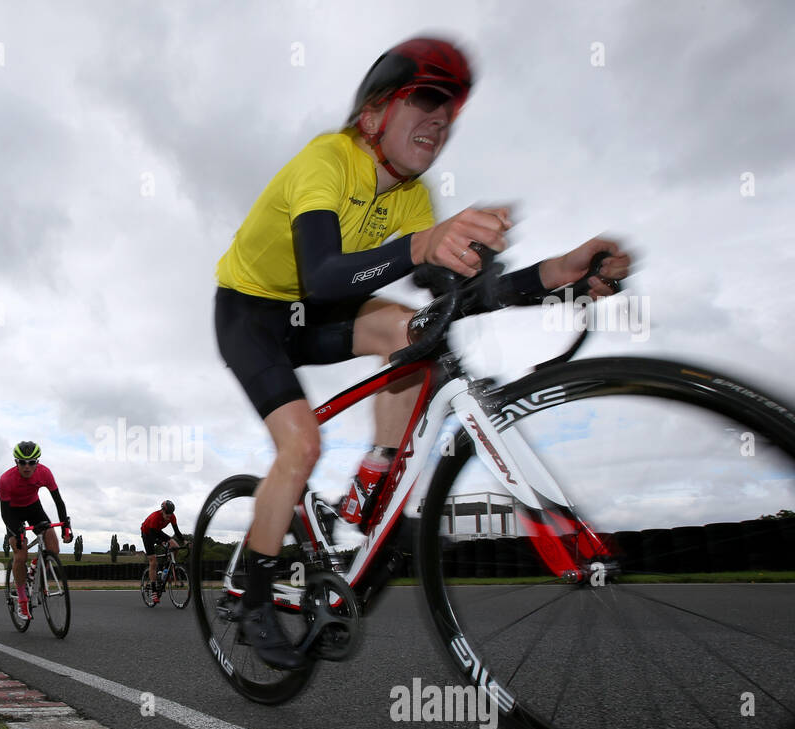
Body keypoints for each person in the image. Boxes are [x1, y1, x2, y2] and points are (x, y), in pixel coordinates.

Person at [214, 36, 630, 669]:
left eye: (452, 110)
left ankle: (373, 478)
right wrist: (421, 245)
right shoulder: (328, 160)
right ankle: (251, 595)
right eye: (428, 98)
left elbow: (465, 298)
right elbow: (323, 273)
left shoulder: (413, 198)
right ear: (373, 114)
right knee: (300, 446)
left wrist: (560, 276)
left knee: (423, 331)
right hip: (251, 313)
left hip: (319, 316)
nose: (441, 119)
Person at [0, 441, 72, 620]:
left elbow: (58, 501)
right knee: (20, 554)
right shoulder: (6, 479)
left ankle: (34, 566)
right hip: (13, 513)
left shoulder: (45, 473)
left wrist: (65, 525)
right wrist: (16, 533)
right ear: (16, 462)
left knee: (54, 548)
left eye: (32, 462)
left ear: (37, 462)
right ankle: (22, 600)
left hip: (33, 507)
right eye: (22, 462)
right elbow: (5, 513)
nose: (27, 466)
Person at [140, 501, 185, 606]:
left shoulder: (172, 517)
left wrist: (185, 541)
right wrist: (161, 543)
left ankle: (166, 570)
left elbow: (177, 531)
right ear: (162, 511)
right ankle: (154, 592)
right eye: (167, 514)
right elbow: (152, 537)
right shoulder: (155, 517)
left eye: (170, 514)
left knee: (176, 547)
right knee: (153, 562)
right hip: (147, 533)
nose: (169, 517)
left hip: (157, 531)